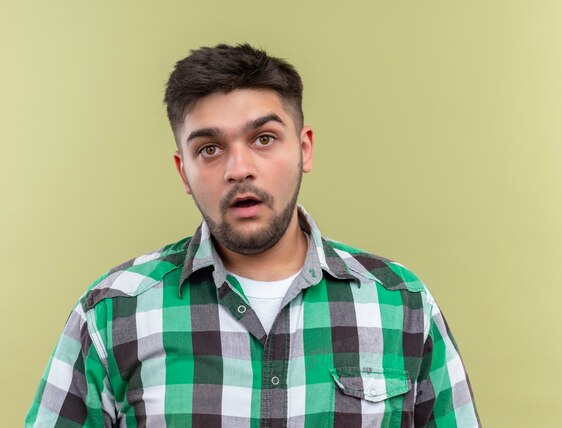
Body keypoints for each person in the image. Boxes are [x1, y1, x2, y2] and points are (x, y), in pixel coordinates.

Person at [26, 43, 480, 427]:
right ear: (184, 171)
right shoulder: (111, 314)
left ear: (303, 149)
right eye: (209, 148)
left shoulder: (402, 305)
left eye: (263, 138)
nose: (239, 169)